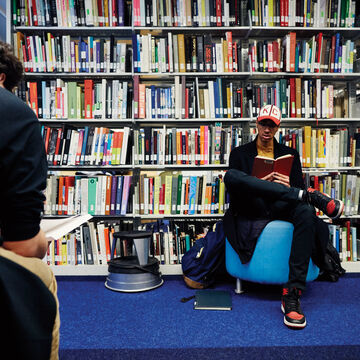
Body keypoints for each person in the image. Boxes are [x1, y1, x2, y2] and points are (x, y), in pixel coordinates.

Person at [223, 104, 344, 329]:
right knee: (230, 175)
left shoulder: (290, 154)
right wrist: (261, 185)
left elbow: (295, 189)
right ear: (256, 123)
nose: (267, 129)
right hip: (252, 205)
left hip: (281, 204)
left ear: (278, 128)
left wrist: (289, 186)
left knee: (306, 211)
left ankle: (292, 293)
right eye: (263, 123)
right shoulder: (239, 153)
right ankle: (313, 196)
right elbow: (235, 192)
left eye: (272, 125)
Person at [0, 40, 59, 358]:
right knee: (40, 276)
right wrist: (40, 242)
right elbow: (21, 245)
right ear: (1, 79)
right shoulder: (13, 113)